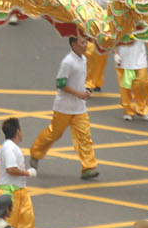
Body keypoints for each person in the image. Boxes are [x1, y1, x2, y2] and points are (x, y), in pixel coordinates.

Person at [29, 36, 99, 179]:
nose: (86, 45)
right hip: (64, 107)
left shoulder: (83, 59)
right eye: (82, 43)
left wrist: (85, 91)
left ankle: (88, 166)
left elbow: (78, 81)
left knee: (84, 137)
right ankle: (35, 153)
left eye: (86, 42)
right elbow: (60, 84)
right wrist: (78, 93)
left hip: (79, 107)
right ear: (73, 44)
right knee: (55, 133)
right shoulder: (68, 62)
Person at [0, 119, 39, 228]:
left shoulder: (8, 147)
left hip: (20, 191)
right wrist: (27, 173)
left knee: (26, 221)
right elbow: (10, 169)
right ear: (18, 131)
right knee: (6, 226)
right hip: (10, 194)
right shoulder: (9, 148)